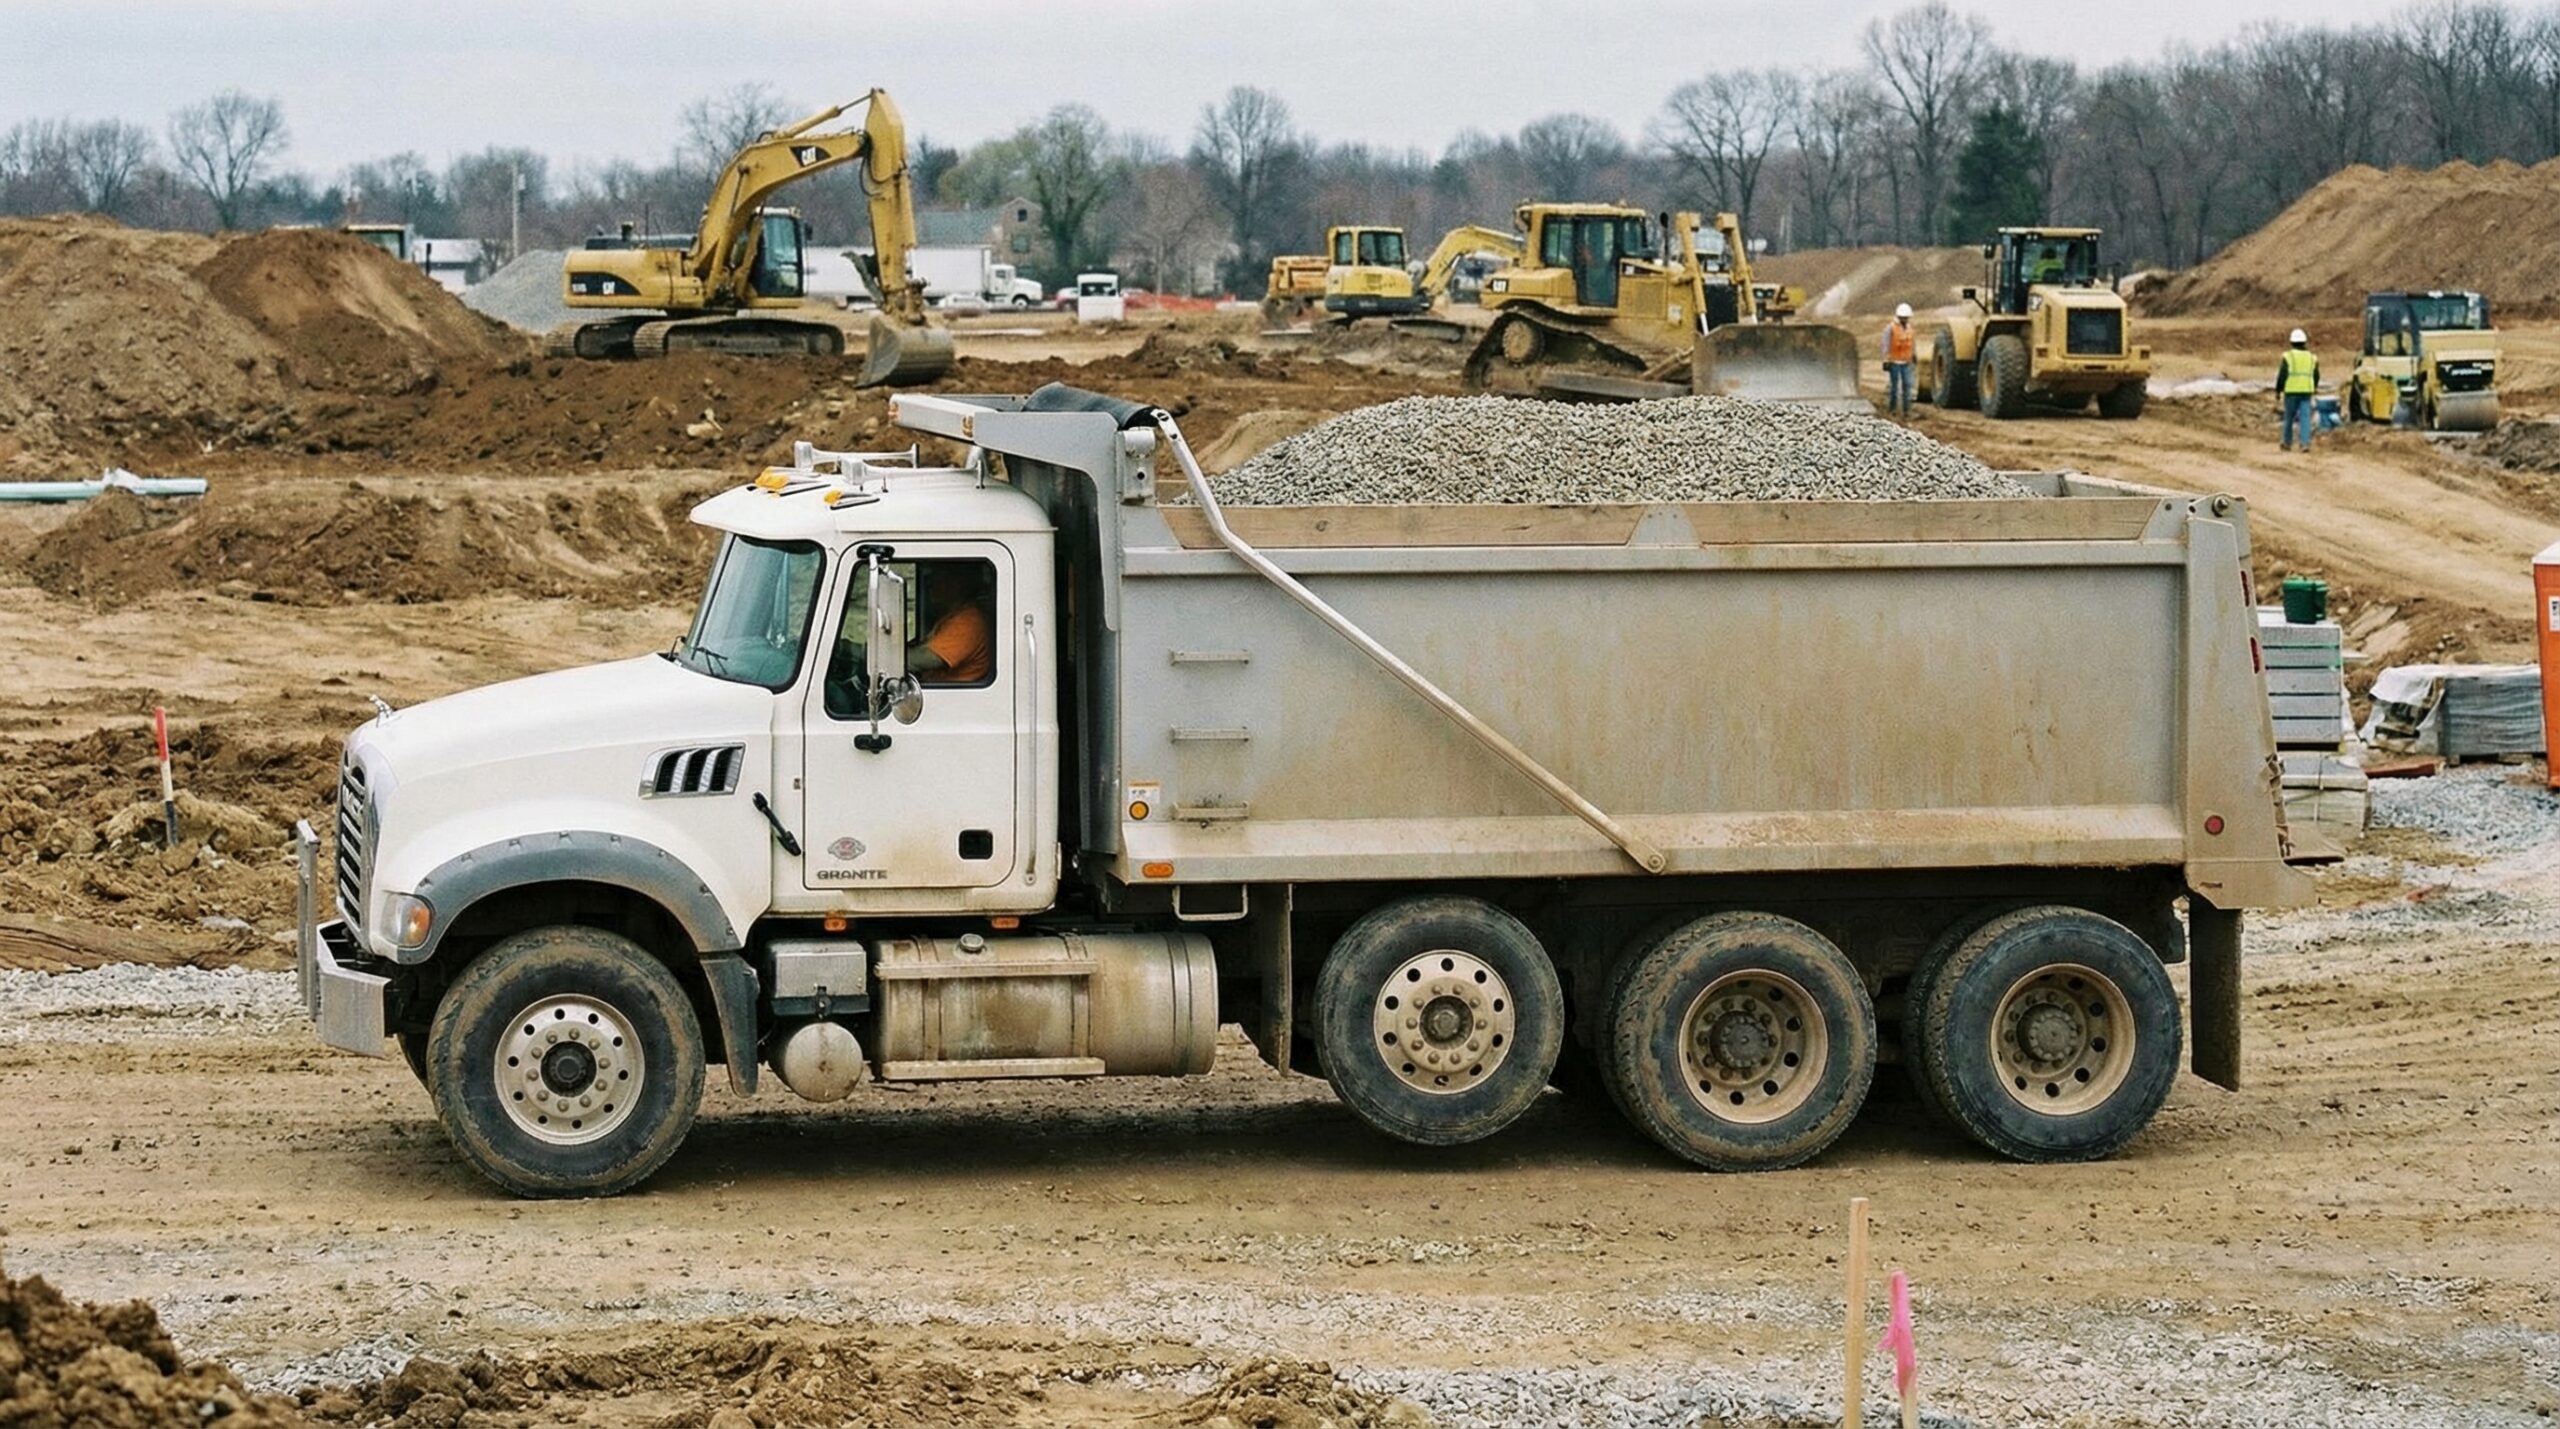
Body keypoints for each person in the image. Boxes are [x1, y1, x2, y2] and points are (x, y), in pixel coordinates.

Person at [908, 563, 993, 685]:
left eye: (937, 578)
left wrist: (885, 659)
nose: (930, 585)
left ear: (956, 584)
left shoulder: (969, 621)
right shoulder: (953, 616)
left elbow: (927, 659)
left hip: (954, 698)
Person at [2277, 328, 2321, 452]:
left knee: (2289, 418)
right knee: (2305, 418)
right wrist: (2314, 387)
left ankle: (2287, 443)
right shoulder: (2312, 357)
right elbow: (2316, 375)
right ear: (2304, 342)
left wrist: (2278, 390)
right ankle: (2305, 444)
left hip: (2291, 392)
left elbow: (2282, 374)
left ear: (2291, 342)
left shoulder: (2288, 356)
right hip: (2306, 392)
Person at [1880, 303, 1918, 417]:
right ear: (1899, 317)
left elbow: (1912, 343)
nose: (1905, 319)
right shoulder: (1890, 328)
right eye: (1903, 317)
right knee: (1894, 387)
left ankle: (1907, 411)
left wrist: (1914, 355)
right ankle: (1892, 410)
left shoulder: (1910, 328)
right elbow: (1885, 344)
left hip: (1907, 362)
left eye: (1907, 318)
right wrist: (1886, 359)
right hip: (1894, 362)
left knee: (1907, 386)